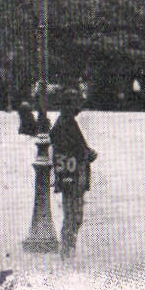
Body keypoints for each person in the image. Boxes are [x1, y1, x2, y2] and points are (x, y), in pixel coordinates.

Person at [50, 94, 97, 259]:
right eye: (76, 105)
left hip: (70, 175)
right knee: (73, 215)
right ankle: (67, 249)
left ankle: (68, 247)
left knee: (73, 215)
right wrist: (89, 154)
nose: (79, 109)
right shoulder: (66, 125)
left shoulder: (65, 123)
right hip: (73, 176)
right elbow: (75, 150)